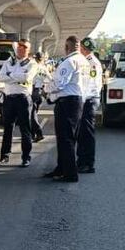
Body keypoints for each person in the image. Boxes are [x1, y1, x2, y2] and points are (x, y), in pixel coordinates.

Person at [43, 35, 87, 183]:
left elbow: (59, 84)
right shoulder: (84, 62)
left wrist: (46, 88)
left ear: (66, 48)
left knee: (65, 139)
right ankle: (61, 168)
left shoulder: (69, 62)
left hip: (67, 103)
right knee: (69, 138)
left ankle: (70, 173)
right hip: (78, 101)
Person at [0, 39, 37, 167]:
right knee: (7, 129)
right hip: (9, 98)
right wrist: (17, 76)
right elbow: (1, 77)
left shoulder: (32, 64)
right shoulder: (9, 61)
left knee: (25, 129)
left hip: (23, 98)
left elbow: (27, 77)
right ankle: (4, 156)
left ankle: (26, 157)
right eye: (19, 46)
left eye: (24, 47)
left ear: (28, 50)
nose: (21, 49)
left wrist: (10, 75)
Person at [77, 37, 103, 173]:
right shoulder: (86, 61)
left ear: (84, 49)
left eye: (80, 48)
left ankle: (88, 163)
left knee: (87, 132)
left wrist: (81, 99)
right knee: (82, 132)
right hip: (87, 99)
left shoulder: (92, 63)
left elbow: (90, 84)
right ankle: (81, 160)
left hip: (90, 100)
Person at [30, 51, 49, 142]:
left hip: (33, 92)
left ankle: (39, 133)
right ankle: (33, 134)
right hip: (40, 93)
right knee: (34, 114)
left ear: (36, 58)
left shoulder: (34, 67)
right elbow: (51, 80)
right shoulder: (44, 68)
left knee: (32, 115)